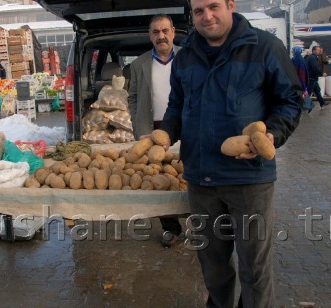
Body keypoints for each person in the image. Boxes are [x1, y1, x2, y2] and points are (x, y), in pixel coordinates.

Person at [161, 0, 302, 306]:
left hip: (249, 181)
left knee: (255, 269)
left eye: (213, 7)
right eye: (198, 11)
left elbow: (290, 100)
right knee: (213, 266)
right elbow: (177, 105)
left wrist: (271, 135)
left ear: (230, 5)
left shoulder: (264, 47)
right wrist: (165, 133)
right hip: (200, 179)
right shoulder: (185, 57)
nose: (206, 16)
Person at [127, 14, 183, 248]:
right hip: (154, 130)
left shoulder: (188, 57)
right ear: (150, 35)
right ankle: (171, 228)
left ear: (173, 31)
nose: (161, 36)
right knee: (160, 178)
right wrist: (140, 128)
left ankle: (202, 223)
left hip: (184, 124)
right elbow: (133, 98)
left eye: (164, 31)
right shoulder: (139, 64)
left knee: (189, 174)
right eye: (155, 32)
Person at [291, 46, 314, 113]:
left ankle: (307, 106)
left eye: (293, 50)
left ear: (296, 51)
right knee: (300, 94)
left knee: (300, 93)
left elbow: (301, 73)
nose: (292, 52)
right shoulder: (296, 59)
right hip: (297, 79)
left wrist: (303, 85)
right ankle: (308, 105)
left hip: (299, 80)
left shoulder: (298, 60)